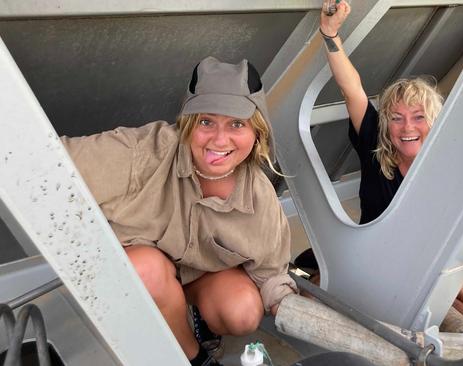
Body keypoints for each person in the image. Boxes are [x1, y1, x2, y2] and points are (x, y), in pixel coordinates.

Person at [61, 57, 297, 365]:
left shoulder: (260, 198)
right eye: (206, 121)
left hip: (198, 277)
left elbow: (270, 274)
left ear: (257, 134)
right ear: (187, 124)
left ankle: (192, 314)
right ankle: (195, 356)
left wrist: (290, 306)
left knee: (243, 313)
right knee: (147, 271)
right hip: (140, 274)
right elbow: (50, 160)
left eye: (237, 124)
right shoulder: (144, 153)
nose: (219, 139)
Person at [295, 0, 463, 331]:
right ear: (386, 123)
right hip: (368, 255)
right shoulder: (376, 145)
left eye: (419, 118)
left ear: (435, 122)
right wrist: (330, 35)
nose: (407, 128)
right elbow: (351, 89)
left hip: (422, 261)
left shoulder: (447, 166)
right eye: (397, 118)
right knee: (312, 300)